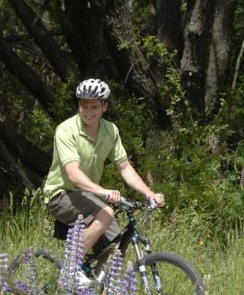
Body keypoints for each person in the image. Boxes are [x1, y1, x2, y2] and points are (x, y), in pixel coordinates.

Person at [43, 78, 164, 264]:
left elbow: (124, 167)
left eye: (94, 107)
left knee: (116, 254)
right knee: (106, 212)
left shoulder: (111, 131)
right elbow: (72, 173)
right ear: (78, 106)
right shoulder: (66, 130)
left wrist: (150, 194)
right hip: (61, 194)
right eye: (84, 106)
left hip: (88, 195)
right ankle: (69, 269)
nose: (88, 112)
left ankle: (95, 292)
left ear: (104, 107)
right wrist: (103, 192)